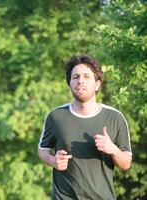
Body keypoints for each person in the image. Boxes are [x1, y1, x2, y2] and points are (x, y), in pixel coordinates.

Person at [38, 54, 132, 200]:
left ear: (97, 84)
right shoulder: (56, 117)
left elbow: (126, 163)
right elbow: (43, 150)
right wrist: (53, 161)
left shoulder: (115, 118)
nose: (80, 81)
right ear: (69, 82)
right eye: (75, 77)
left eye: (86, 76)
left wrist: (112, 149)